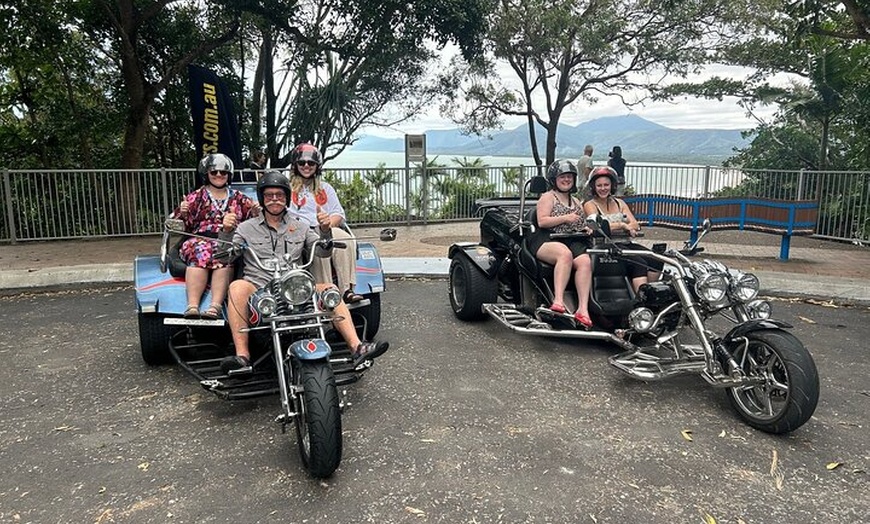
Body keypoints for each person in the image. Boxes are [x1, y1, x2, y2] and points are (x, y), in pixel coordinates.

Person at [217, 171, 389, 373]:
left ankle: (357, 347)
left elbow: (323, 252)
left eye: (279, 195)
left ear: (287, 198)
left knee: (330, 290)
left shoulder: (301, 227)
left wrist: (325, 230)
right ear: (262, 199)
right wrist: (226, 232)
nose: (274, 199)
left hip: (295, 288)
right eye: (269, 195)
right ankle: (242, 357)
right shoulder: (245, 228)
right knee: (236, 287)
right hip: (259, 288)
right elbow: (225, 257)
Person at [175, 153, 259, 319]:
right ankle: (192, 306)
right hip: (200, 239)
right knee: (201, 251)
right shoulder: (195, 196)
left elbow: (253, 222)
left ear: (229, 174)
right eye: (214, 172)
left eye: (223, 172)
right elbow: (183, 225)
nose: (219, 175)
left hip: (228, 240)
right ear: (206, 174)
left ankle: (215, 306)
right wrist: (183, 212)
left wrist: (256, 212)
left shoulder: (239, 198)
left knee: (225, 255)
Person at [287, 143, 363, 303]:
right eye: (302, 163)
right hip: (299, 231)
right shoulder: (287, 189)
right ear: (295, 165)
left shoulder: (325, 188)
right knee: (319, 244)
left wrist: (327, 225)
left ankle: (346, 290)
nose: (306, 166)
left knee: (346, 239)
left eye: (311, 163)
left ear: (317, 166)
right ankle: (327, 291)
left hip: (325, 227)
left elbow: (338, 213)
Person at [527, 159, 593, 329]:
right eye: (562, 176)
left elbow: (580, 222)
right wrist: (565, 218)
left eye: (569, 177)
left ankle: (583, 309)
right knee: (565, 254)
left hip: (571, 238)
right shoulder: (548, 197)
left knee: (585, 261)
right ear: (554, 179)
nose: (566, 180)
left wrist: (586, 228)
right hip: (546, 238)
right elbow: (542, 221)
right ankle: (558, 300)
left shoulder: (576, 201)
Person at [583, 166, 662, 292]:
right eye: (599, 185)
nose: (603, 188)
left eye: (606, 185)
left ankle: (650, 292)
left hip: (625, 243)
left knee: (656, 259)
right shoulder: (590, 205)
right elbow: (599, 227)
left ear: (612, 186)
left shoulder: (620, 203)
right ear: (593, 187)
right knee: (639, 263)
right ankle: (641, 299)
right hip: (606, 246)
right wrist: (622, 225)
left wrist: (620, 226)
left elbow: (635, 224)